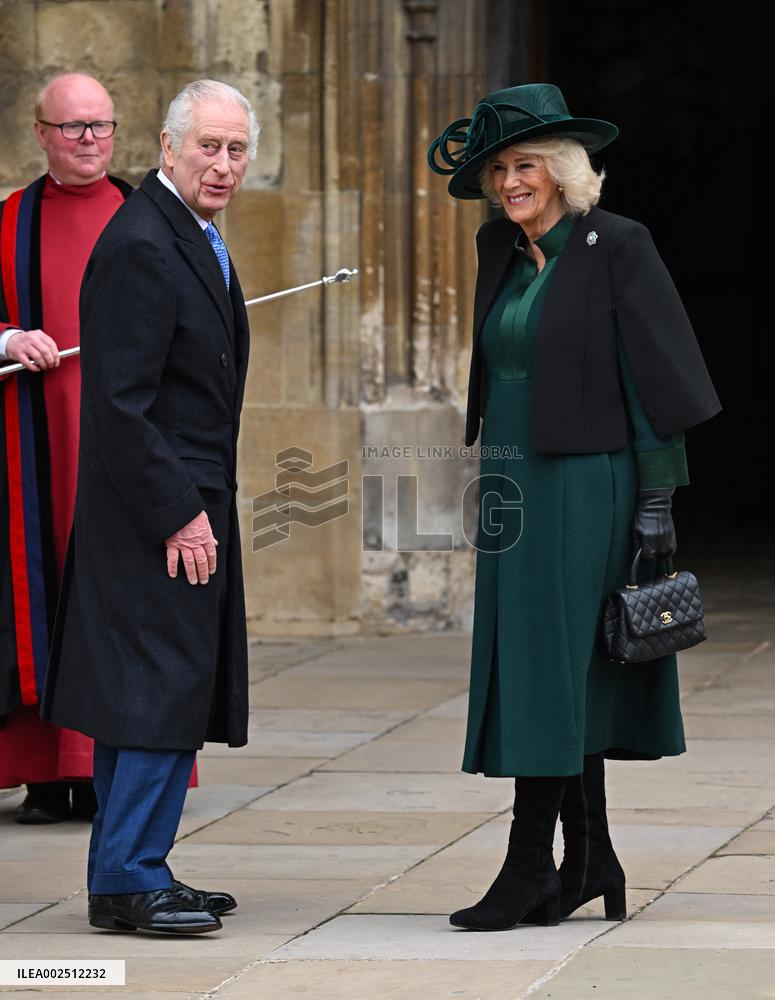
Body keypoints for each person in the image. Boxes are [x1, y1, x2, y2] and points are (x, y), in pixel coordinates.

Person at [427, 83, 721, 931]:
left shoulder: (617, 244)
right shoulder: (498, 246)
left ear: (560, 170)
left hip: (589, 484)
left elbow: (654, 379)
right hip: (513, 483)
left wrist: (657, 497)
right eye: (498, 170)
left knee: (554, 671)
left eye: (525, 165)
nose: (509, 182)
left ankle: (527, 866)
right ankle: (589, 859)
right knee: (548, 669)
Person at [41, 79, 257, 935]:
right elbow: (119, 405)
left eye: (236, 149)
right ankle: (128, 880)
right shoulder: (142, 242)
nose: (223, 164)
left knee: (165, 687)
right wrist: (178, 510)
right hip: (155, 514)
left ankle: (137, 867)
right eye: (208, 146)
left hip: (178, 502)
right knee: (156, 687)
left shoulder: (186, 231)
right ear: (168, 147)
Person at [0, 73, 132, 824]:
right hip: (33, 449)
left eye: (100, 125)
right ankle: (47, 774)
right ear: (41, 134)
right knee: (43, 593)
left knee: (120, 598)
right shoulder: (8, 222)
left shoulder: (149, 215)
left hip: (124, 445)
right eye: (73, 127)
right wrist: (9, 338)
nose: (89, 140)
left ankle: (116, 772)